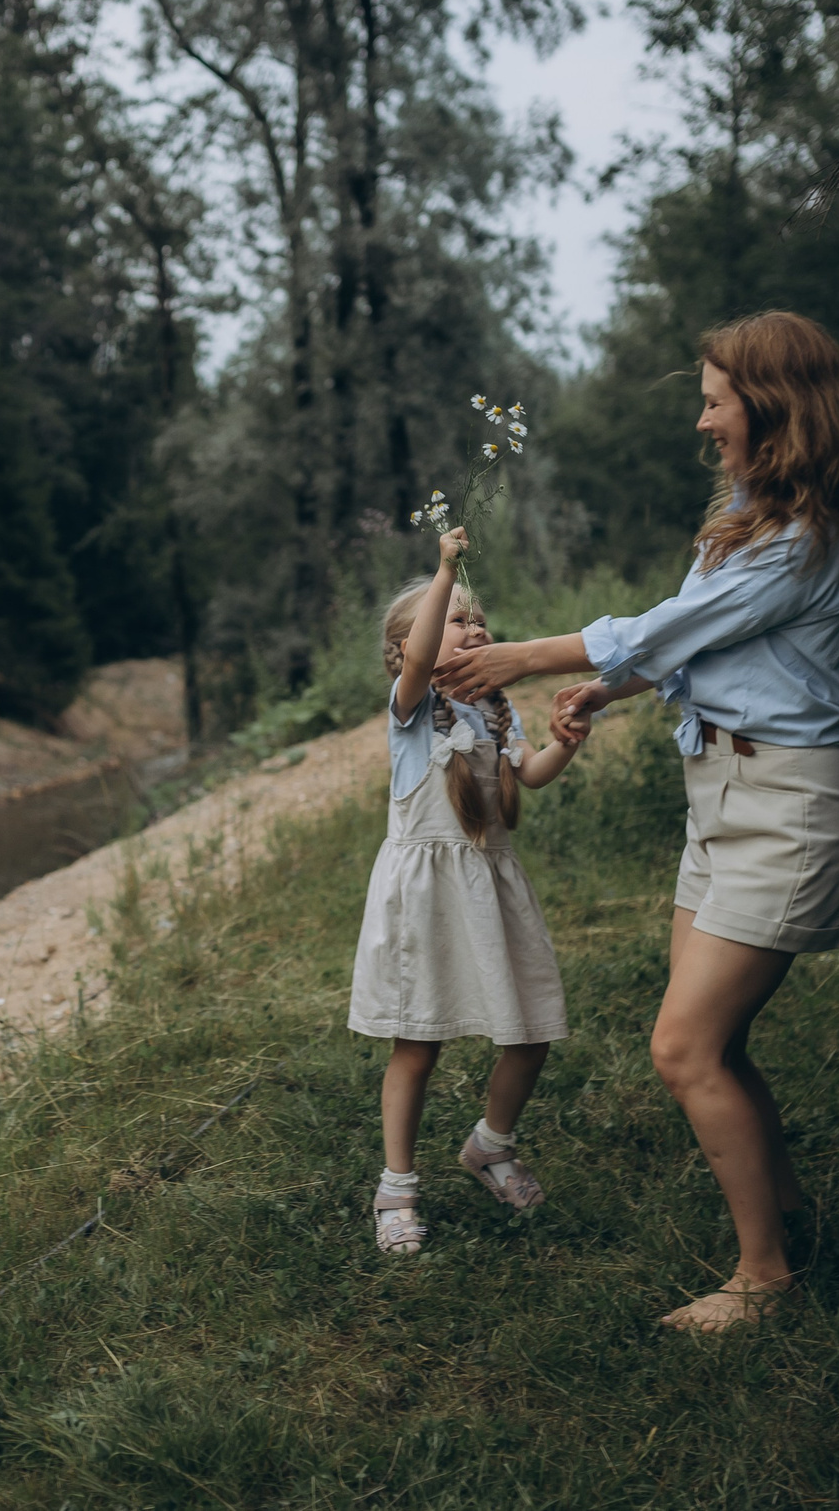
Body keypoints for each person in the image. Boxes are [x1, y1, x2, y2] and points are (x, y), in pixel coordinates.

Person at [435, 310, 839, 1329]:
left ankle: (763, 1280)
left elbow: (666, 626)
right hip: (720, 797)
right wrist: (613, 689)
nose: (701, 420)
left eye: (715, 399)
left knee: (685, 1047)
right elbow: (699, 642)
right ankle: (789, 1215)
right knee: (714, 1043)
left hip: (787, 810)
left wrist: (522, 660)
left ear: (770, 410)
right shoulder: (743, 514)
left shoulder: (802, 541)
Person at [353, 525, 584, 1254]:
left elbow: (530, 774)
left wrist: (564, 743)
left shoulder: (496, 708)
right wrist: (444, 568)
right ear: (408, 647)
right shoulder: (412, 705)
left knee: (532, 1028)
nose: (474, 623)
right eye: (458, 615)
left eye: (479, 616)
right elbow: (425, 654)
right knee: (417, 1043)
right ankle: (396, 1186)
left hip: (490, 883)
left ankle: (491, 1142)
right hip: (425, 897)